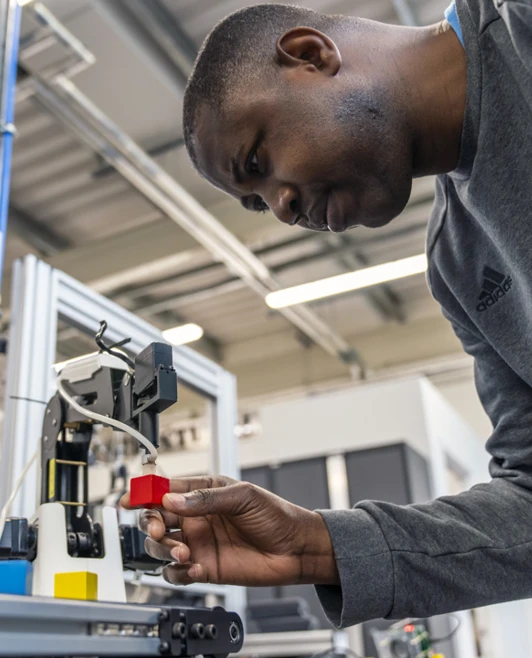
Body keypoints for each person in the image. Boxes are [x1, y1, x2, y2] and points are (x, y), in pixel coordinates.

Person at [122, 0, 532, 628]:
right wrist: (316, 544)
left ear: (312, 56)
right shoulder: (459, 261)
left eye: (257, 164)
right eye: (259, 205)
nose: (283, 207)